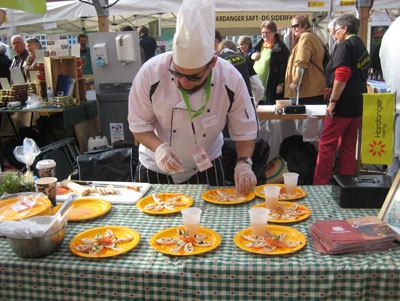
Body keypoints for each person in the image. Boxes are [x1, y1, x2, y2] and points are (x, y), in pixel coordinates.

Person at [127, 0, 258, 195]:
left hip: (206, 165)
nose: (183, 83)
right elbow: (138, 125)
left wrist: (244, 163)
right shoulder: (150, 73)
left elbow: (245, 130)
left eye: (194, 77)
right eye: (177, 74)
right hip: (154, 166)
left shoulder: (230, 78)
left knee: (211, 221)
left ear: (212, 63)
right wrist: (159, 148)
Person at [313, 14, 371, 185]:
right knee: (348, 145)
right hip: (358, 100)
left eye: (335, 31)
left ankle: (320, 184)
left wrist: (333, 102)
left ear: (345, 29)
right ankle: (346, 183)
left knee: (327, 145)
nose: (333, 35)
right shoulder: (361, 44)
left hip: (343, 102)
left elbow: (342, 74)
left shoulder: (345, 45)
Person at [284, 15, 326, 105]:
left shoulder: (305, 37)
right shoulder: (313, 36)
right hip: (315, 87)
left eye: (296, 26)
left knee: (305, 116)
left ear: (305, 25)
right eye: (292, 26)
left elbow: (301, 61)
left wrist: (295, 81)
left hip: (308, 89)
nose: (294, 28)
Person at [251, 20, 289, 104]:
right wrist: (251, 56)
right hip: (256, 86)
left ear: (274, 32)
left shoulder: (280, 47)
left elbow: (284, 67)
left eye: (267, 33)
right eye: (263, 33)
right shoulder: (259, 45)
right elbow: (249, 62)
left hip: (271, 85)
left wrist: (281, 84)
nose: (264, 35)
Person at [218, 39, 263, 105]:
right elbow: (258, 87)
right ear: (235, 50)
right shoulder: (245, 60)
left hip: (224, 104)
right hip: (245, 102)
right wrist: (255, 102)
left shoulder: (217, 61)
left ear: (220, 51)